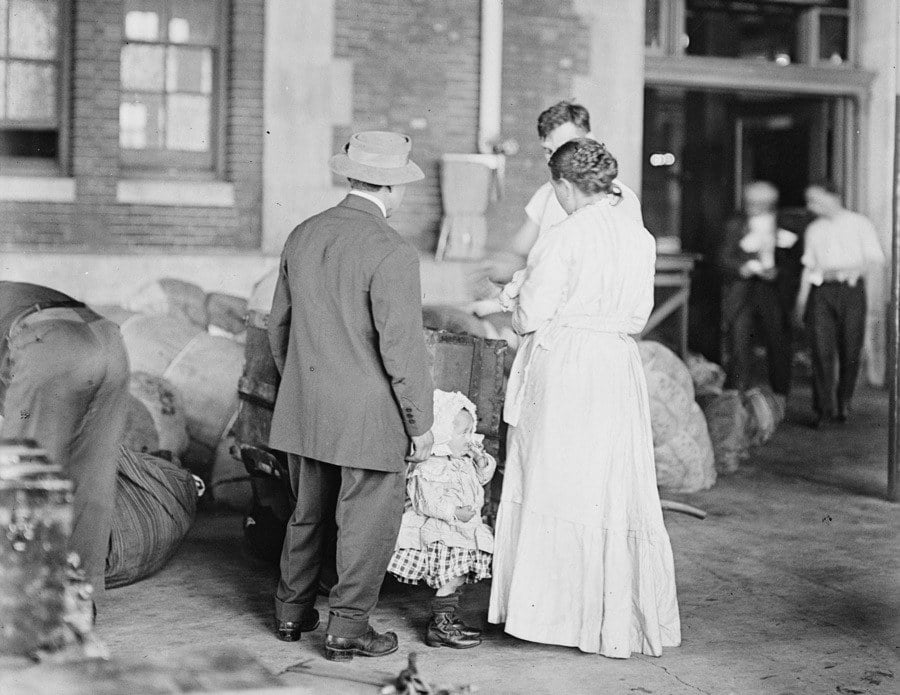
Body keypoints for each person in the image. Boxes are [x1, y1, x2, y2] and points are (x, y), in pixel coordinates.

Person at [487, 139, 681, 658]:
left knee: (557, 478)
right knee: (607, 482)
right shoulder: (640, 237)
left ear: (565, 186)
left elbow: (531, 316)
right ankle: (605, 616)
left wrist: (512, 297)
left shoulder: (564, 235)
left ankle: (554, 616)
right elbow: (636, 308)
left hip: (568, 363)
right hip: (616, 363)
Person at [268, 131, 436, 662]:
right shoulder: (391, 249)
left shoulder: (303, 233)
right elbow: (403, 350)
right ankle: (348, 627)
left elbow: (279, 328)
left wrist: (303, 383)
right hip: (368, 415)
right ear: (391, 186)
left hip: (305, 405)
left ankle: (291, 613)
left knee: (306, 512)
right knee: (367, 523)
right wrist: (421, 424)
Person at [0, 281, 130, 613]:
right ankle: (80, 605)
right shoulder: (13, 293)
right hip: (110, 347)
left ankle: (26, 611)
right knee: (91, 479)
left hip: (52, 347)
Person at [480, 100, 643, 287]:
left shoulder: (621, 197)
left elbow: (621, 272)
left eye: (565, 147)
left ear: (589, 139)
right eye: (549, 150)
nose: (556, 159)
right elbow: (520, 253)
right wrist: (492, 269)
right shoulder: (547, 193)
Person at [387, 390, 496, 650]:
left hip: (462, 533)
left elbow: (481, 479)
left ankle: (446, 618)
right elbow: (427, 501)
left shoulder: (464, 460)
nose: (470, 439)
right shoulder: (430, 467)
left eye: (471, 431)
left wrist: (482, 462)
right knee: (451, 578)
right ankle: (440, 625)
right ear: (444, 434)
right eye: (463, 433)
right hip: (444, 534)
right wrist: (453, 512)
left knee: (458, 578)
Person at [797, 181, 885, 426]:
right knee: (821, 350)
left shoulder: (860, 224)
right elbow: (809, 267)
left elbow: (875, 260)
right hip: (821, 293)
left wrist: (848, 271)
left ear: (832, 196)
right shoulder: (814, 229)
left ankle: (844, 401)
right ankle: (823, 410)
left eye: (814, 199)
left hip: (851, 291)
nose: (810, 205)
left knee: (850, 348)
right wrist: (801, 301)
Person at [718, 181, 802, 396]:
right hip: (743, 290)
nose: (751, 207)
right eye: (750, 202)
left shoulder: (786, 223)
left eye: (758, 204)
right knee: (739, 343)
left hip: (773, 291)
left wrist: (779, 272)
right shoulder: (735, 225)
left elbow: (796, 262)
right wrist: (743, 267)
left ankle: (780, 395)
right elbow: (723, 258)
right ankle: (738, 395)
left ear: (770, 205)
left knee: (778, 343)